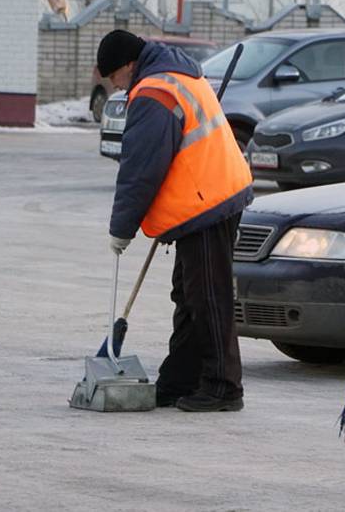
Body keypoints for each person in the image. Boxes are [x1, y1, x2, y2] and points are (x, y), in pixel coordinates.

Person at [96, 29, 253, 412]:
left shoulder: (154, 92)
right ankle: (180, 379)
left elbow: (141, 166)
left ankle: (223, 386)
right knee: (189, 294)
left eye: (113, 77)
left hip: (206, 201)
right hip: (208, 195)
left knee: (208, 297)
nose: (114, 86)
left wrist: (122, 228)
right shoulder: (175, 75)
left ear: (128, 66)